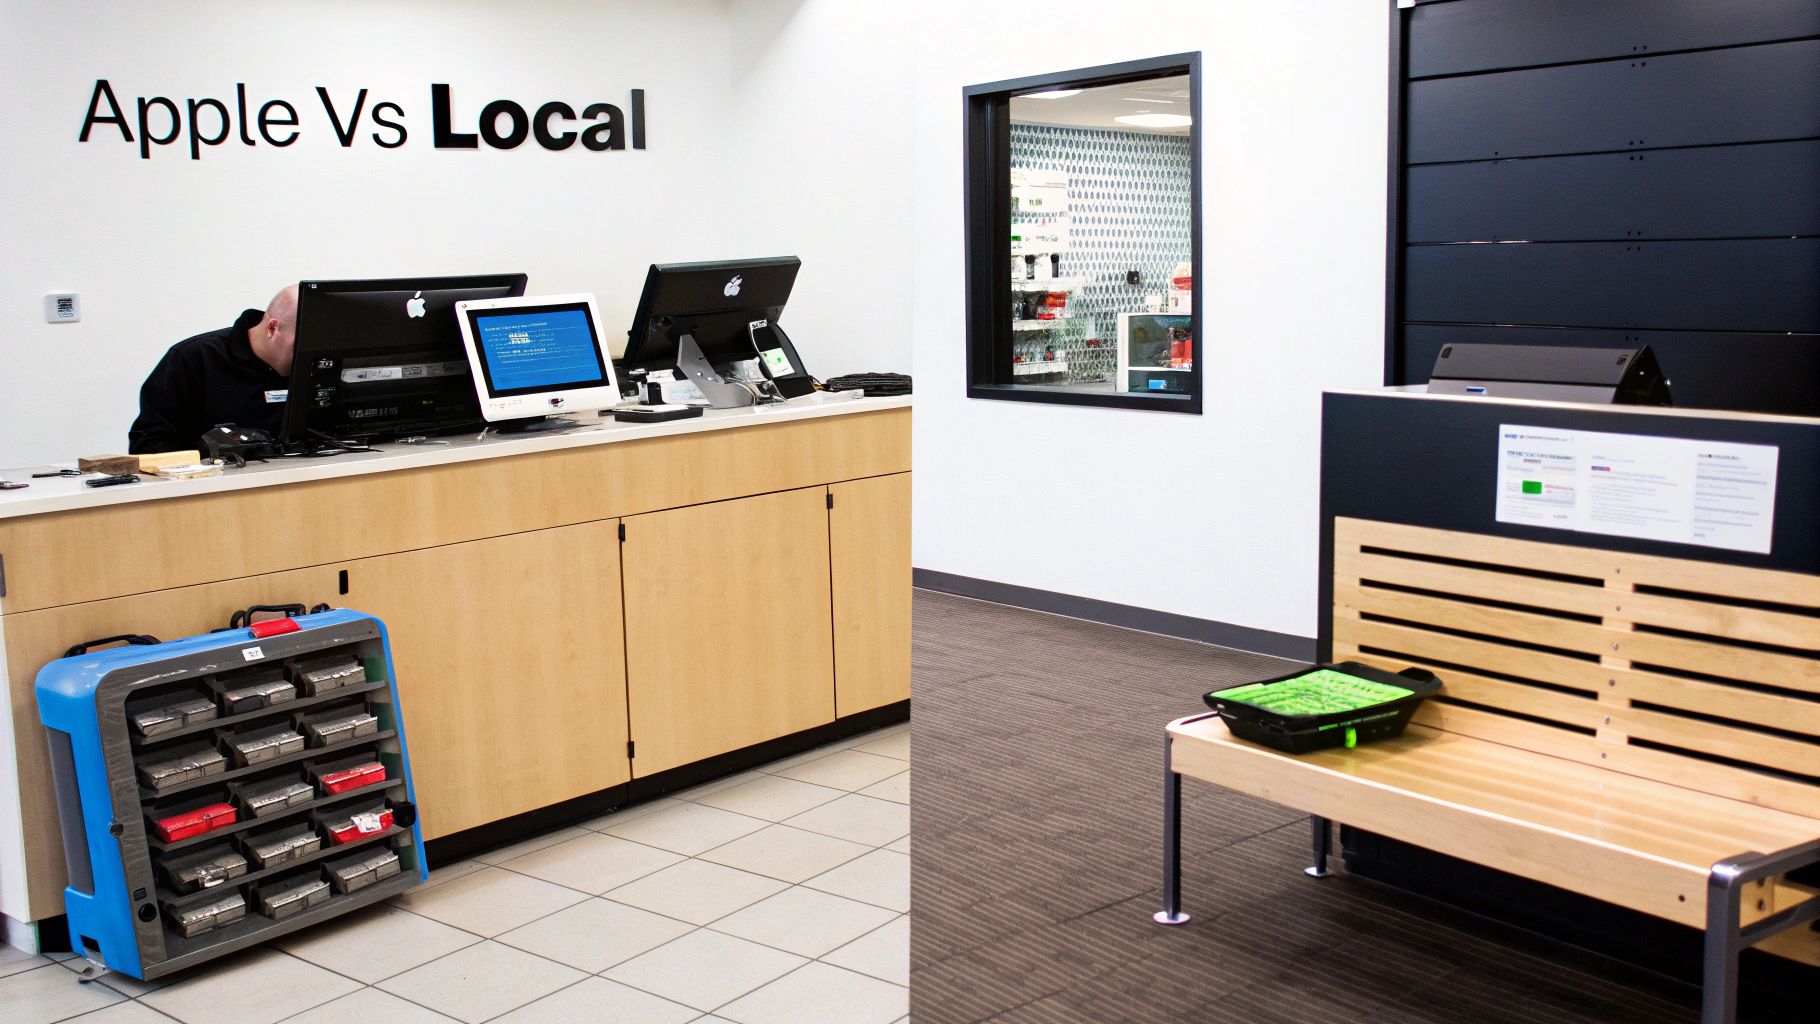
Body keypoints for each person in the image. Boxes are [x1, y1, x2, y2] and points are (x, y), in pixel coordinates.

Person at [128, 285, 300, 454]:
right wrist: (208, 454)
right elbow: (148, 445)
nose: (307, 351)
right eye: (301, 340)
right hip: (213, 471)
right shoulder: (193, 358)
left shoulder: (312, 368)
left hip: (299, 471)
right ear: (272, 328)